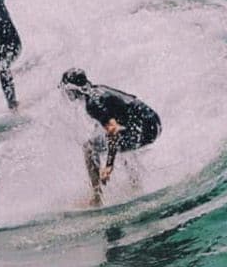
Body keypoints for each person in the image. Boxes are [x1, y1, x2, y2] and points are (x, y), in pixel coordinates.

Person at [60, 68, 162, 202]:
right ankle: (135, 181)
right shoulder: (99, 89)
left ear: (72, 90)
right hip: (154, 122)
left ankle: (97, 197)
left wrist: (108, 166)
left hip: (146, 131)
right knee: (110, 140)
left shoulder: (92, 103)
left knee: (89, 148)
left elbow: (113, 129)